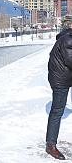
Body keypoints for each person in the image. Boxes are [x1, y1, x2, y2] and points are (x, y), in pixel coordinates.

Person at [45, 16, 72, 160]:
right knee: (57, 111)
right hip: (60, 80)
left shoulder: (67, 36)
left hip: (65, 76)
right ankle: (50, 145)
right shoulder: (68, 40)